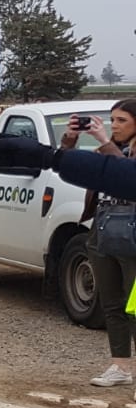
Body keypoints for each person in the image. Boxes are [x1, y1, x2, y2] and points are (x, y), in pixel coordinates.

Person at [61, 101, 136, 387]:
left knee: (135, 307)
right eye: (112, 120)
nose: (114, 125)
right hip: (103, 232)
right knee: (111, 302)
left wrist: (105, 142)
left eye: (122, 120)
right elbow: (72, 168)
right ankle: (120, 366)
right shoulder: (106, 151)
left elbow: (127, 175)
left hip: (132, 236)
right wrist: (70, 140)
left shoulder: (116, 151)